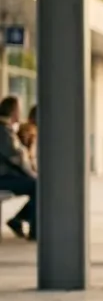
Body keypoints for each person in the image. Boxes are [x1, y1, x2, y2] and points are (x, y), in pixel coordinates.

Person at [0, 96, 36, 240]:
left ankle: (18, 219)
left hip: (6, 176)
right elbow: (16, 158)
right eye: (18, 110)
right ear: (13, 111)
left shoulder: (6, 129)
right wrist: (32, 174)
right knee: (38, 186)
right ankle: (33, 230)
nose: (20, 113)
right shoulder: (3, 131)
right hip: (3, 178)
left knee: (37, 185)